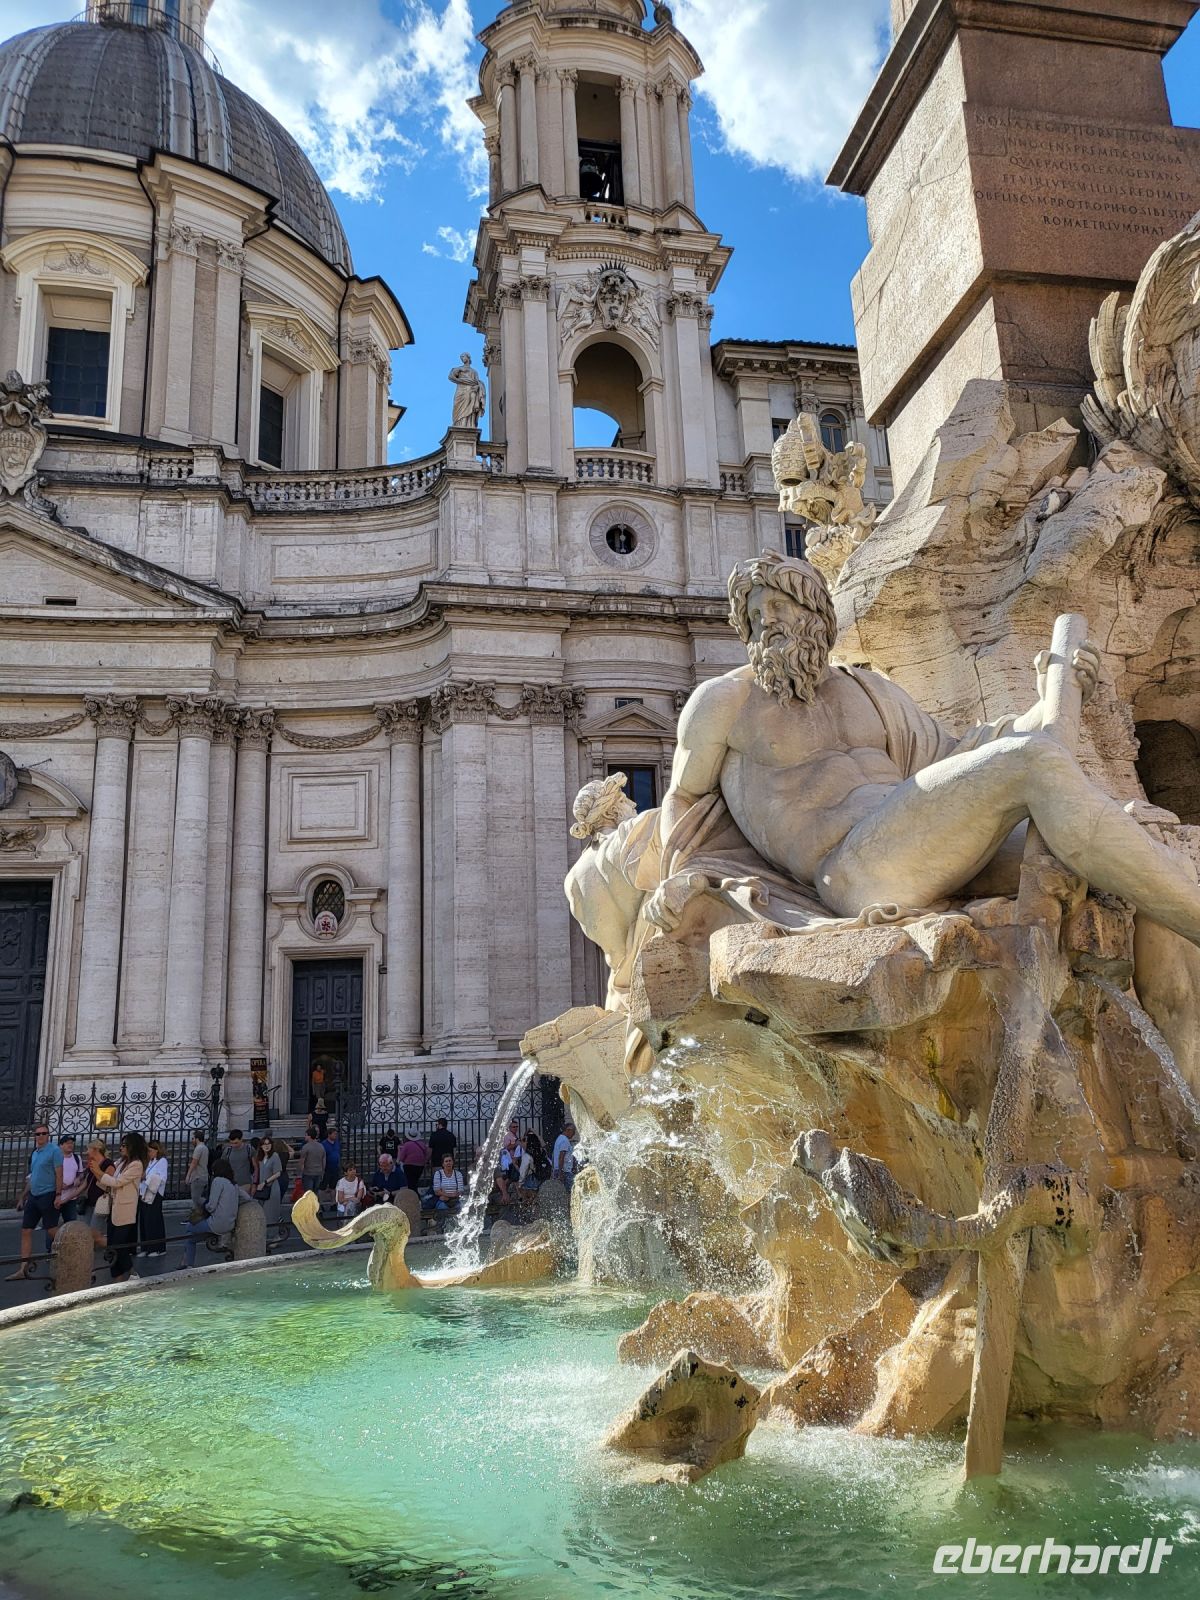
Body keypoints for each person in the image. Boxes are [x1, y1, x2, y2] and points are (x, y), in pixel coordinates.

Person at [89, 1132, 147, 1282]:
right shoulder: (121, 1162)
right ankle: (117, 1278)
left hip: (125, 1210)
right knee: (113, 1247)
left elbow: (117, 1182)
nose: (121, 1148)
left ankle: (133, 1273)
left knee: (118, 1245)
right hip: (114, 1209)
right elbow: (109, 1179)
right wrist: (97, 1169)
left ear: (132, 1147)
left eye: (124, 1145)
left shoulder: (136, 1165)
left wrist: (98, 1171)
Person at [7, 1122, 63, 1280]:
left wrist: (58, 1194)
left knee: (51, 1229)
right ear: (34, 1136)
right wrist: (23, 1196)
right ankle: (23, 1269)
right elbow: (33, 1177)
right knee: (26, 1230)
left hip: (48, 1194)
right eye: (38, 1134)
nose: (41, 1136)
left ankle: (74, 1246)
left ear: (48, 1135)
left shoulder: (55, 1151)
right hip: (34, 1195)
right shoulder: (35, 1153)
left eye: (44, 1133)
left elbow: (59, 1173)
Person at [180, 1157, 241, 1268]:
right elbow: (247, 1197)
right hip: (229, 1225)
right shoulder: (234, 1185)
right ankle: (186, 1263)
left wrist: (204, 1205)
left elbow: (211, 1206)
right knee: (190, 1238)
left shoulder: (218, 1181)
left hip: (215, 1224)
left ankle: (187, 1263)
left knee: (189, 1227)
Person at [138, 1140, 168, 1257]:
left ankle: (158, 1248)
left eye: (150, 1151)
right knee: (145, 1220)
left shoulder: (162, 1161)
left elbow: (162, 1178)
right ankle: (146, 1247)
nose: (148, 1153)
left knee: (154, 1220)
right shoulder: (150, 1162)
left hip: (155, 1194)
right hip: (145, 1192)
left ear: (156, 1150)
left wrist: (146, 1177)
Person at [84, 1141, 113, 1246]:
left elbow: (107, 1182)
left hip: (101, 1201)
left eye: (89, 1149)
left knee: (94, 1234)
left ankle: (115, 1246)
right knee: (86, 1232)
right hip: (90, 1201)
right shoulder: (92, 1164)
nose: (87, 1152)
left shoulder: (108, 1164)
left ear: (96, 1150)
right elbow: (86, 1183)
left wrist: (96, 1170)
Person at [57, 1134, 87, 1223]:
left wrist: (78, 1178)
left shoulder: (77, 1158)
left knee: (70, 1224)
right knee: (53, 1225)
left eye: (72, 1143)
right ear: (61, 1145)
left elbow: (81, 1173)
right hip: (56, 1197)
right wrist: (58, 1183)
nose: (70, 1145)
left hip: (71, 1197)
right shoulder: (56, 1158)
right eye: (67, 1143)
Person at [255, 1136, 283, 1226]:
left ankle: (273, 1234)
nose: (267, 1146)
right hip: (262, 1188)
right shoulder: (261, 1158)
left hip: (272, 1187)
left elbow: (278, 1173)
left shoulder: (275, 1156)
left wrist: (265, 1182)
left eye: (268, 1144)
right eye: (264, 1144)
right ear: (261, 1146)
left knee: (270, 1213)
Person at [184, 1128, 209, 1209]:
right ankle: (195, 1216)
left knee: (196, 1198)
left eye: (193, 1138)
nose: (192, 1140)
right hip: (202, 1175)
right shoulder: (204, 1148)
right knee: (196, 1199)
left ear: (197, 1139)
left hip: (198, 1177)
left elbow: (194, 1162)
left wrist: (188, 1175)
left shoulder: (198, 1148)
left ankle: (209, 1205)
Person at [299, 1128, 326, 1195]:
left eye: (306, 1135)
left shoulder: (306, 1147)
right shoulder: (321, 1146)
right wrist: (322, 1171)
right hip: (318, 1172)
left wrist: (301, 1172)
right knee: (316, 1193)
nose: (305, 1137)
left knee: (308, 1194)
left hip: (308, 1173)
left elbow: (302, 1161)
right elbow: (324, 1160)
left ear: (309, 1136)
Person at [552, 1122, 577, 1190]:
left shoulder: (559, 1138)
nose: (574, 1134)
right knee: (572, 1191)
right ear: (568, 1130)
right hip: (565, 1171)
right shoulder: (565, 1140)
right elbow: (561, 1157)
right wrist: (561, 1172)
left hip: (559, 1169)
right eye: (573, 1131)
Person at [321, 1126, 342, 1193]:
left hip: (335, 1167)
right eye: (334, 1134)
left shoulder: (337, 1143)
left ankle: (333, 1202)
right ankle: (321, 1202)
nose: (336, 1135)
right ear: (329, 1134)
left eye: (336, 1134)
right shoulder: (323, 1144)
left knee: (333, 1186)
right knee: (323, 1186)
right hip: (327, 1168)